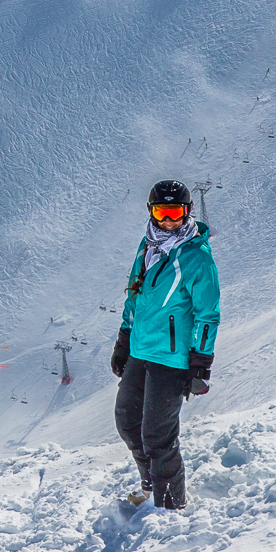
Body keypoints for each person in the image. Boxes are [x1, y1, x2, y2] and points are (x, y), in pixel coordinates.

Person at [111, 180, 220, 510]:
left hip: (172, 359)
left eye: (175, 212)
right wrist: (124, 338)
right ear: (151, 212)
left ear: (187, 212)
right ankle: (150, 485)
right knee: (128, 422)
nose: (169, 221)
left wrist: (200, 362)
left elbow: (208, 314)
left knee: (159, 436)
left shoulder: (196, 258)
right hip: (140, 351)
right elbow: (135, 294)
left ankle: (171, 507)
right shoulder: (147, 247)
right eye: (162, 212)